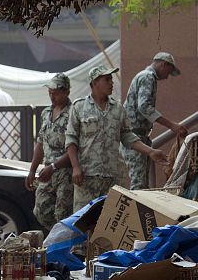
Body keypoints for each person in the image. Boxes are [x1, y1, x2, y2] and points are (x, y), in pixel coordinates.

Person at [66, 65, 169, 214]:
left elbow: (127, 136)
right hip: (87, 178)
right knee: (82, 220)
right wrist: (75, 167)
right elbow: (71, 140)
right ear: (94, 83)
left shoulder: (118, 108)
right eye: (107, 79)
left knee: (111, 221)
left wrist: (150, 151)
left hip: (113, 178)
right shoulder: (78, 107)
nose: (111, 82)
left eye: (111, 79)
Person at [122, 52, 188, 189]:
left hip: (140, 136)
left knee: (141, 183)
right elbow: (144, 107)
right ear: (164, 64)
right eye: (168, 72)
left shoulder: (146, 76)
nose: (167, 76)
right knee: (139, 184)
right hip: (134, 136)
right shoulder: (147, 77)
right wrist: (172, 126)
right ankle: (137, 210)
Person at [25, 73, 74, 233]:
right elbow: (41, 142)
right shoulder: (46, 113)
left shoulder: (73, 114)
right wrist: (32, 170)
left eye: (56, 93)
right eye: (50, 93)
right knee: (41, 210)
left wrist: (54, 167)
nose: (52, 97)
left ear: (66, 92)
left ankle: (63, 245)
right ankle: (60, 238)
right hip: (47, 171)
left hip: (65, 171)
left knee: (63, 213)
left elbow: (75, 148)